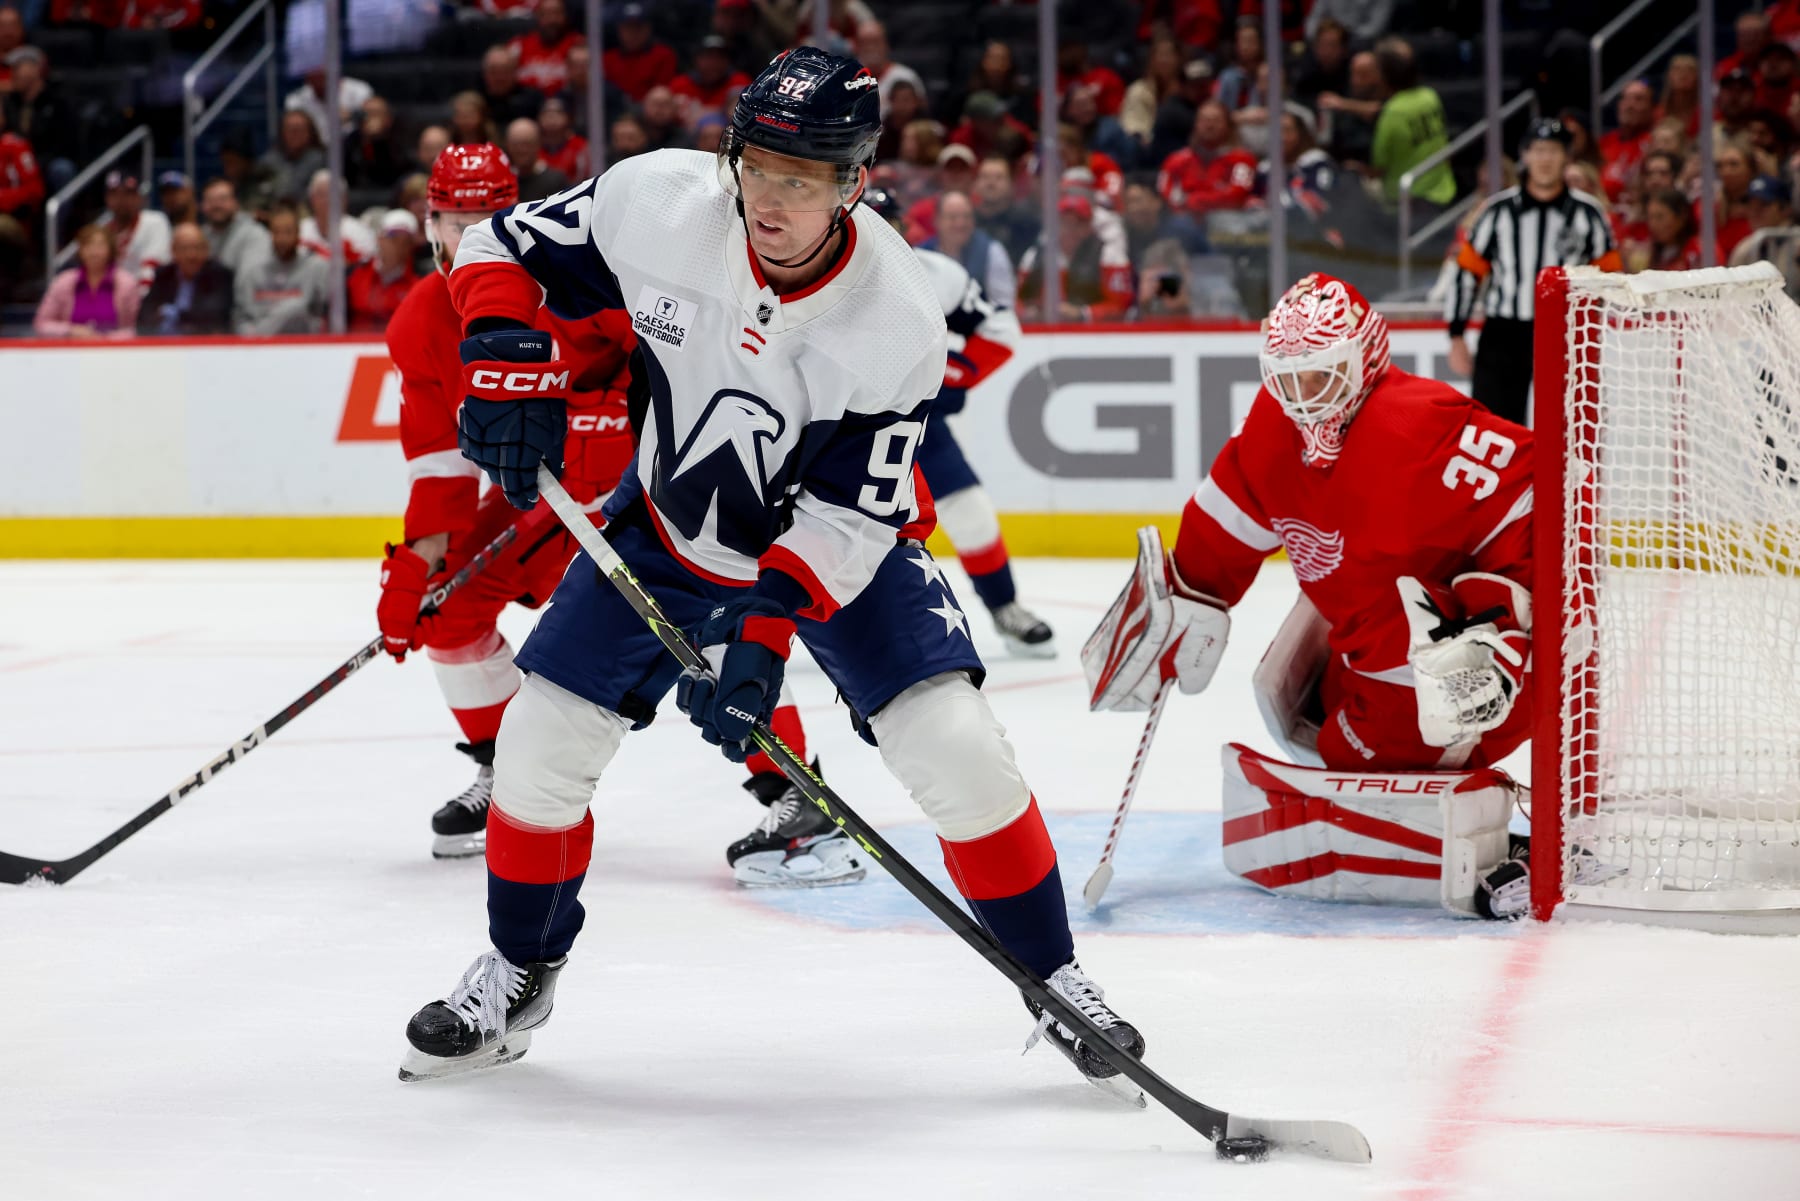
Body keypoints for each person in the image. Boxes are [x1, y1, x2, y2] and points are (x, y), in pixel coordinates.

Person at [399, 48, 1144, 1091]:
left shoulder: (897, 314)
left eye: (804, 179)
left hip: (841, 550)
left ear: (854, 182)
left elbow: (846, 517)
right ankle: (521, 969)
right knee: (535, 749)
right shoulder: (659, 201)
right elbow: (498, 242)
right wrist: (501, 352)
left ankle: (1055, 975)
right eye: (758, 167)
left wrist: (758, 639)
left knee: (958, 749)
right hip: (664, 528)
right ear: (731, 154)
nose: (771, 199)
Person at [380, 143, 848, 886]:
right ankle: (506, 772)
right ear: (427, 221)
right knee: (449, 609)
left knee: (702, 607)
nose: (461, 232)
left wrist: (606, 442)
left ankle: (796, 796)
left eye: (481, 215)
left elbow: (669, 364)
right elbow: (440, 464)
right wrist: (417, 561)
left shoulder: (564, 272)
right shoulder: (418, 324)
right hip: (544, 497)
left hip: (649, 475)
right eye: (450, 217)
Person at [1086, 272, 1538, 917]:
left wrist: (1502, 620)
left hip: (1454, 658)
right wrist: (1179, 601)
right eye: (1287, 378)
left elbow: (1542, 498)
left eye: (1321, 375)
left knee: (1351, 750)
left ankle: (1480, 815)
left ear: (1367, 357)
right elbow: (1223, 530)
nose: (1303, 398)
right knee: (1317, 723)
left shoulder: (1420, 427)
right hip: (1360, 637)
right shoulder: (1272, 429)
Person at [867, 185, 1052, 656]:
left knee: (970, 512)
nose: (875, 236)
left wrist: (947, 374)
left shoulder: (939, 277)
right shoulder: (811, 274)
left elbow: (1001, 332)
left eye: (886, 225)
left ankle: (1005, 608)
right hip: (828, 429)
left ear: (905, 229)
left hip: (917, 428)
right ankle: (758, 627)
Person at [1445, 120, 1619, 425]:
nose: (1545, 159)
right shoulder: (1497, 211)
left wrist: (1601, 331)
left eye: (1553, 150)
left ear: (1566, 157)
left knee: (1566, 426)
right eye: (1538, 150)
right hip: (1504, 332)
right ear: (1525, 156)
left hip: (1566, 332)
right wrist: (1456, 334)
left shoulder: (1588, 214)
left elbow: (1610, 279)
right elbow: (1467, 273)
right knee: (1496, 426)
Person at [1016, 191, 1135, 322]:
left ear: (1089, 226)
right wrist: (1029, 313)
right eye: (1064, 222)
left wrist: (1083, 314)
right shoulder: (1035, 256)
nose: (1070, 229)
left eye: (1078, 223)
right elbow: (1017, 301)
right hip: (1044, 333)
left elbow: (1121, 307)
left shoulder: (1110, 255)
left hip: (1095, 335)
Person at [1368, 37, 1453, 208]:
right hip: (1443, 192)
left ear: (1385, 75)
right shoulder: (1430, 96)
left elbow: (1378, 168)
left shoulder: (1393, 112)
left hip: (1409, 203)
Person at [234, 202, 329, 334]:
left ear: (298, 233)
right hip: (260, 350)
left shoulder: (317, 268)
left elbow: (324, 319)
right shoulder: (254, 273)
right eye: (276, 232)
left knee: (295, 307)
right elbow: (242, 318)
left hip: (304, 347)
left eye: (288, 232)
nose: (282, 238)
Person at [33, 222, 140, 337]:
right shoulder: (63, 282)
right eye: (88, 246)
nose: (94, 252)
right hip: (71, 349)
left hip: (113, 351)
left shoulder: (126, 283)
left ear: (110, 250)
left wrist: (105, 339)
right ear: (81, 250)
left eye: (100, 246)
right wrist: (71, 331)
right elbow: (42, 324)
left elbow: (132, 329)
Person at [1157, 99, 1258, 218]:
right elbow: (1165, 194)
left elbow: (1236, 197)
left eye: (1216, 120)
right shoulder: (1175, 160)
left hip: (1227, 225)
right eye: (1204, 120)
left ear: (1228, 126)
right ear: (1196, 125)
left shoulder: (1242, 160)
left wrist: (1190, 200)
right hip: (1183, 223)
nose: (1210, 125)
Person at [920, 188, 1013, 307]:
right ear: (937, 220)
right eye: (952, 217)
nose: (960, 223)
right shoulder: (921, 257)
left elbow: (1003, 305)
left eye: (966, 216)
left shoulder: (992, 251)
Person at [138, 222, 234, 335]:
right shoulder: (163, 275)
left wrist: (176, 314)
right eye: (184, 248)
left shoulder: (219, 275)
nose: (191, 255)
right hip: (165, 345)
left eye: (197, 248)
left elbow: (215, 314)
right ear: (173, 251)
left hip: (203, 344)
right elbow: (145, 314)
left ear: (207, 250)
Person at [345, 208, 420, 331]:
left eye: (405, 241)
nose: (398, 247)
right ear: (380, 239)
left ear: (411, 247)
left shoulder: (417, 287)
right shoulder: (355, 276)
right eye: (394, 239)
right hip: (355, 345)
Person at [1729, 174, 1800, 300]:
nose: (1755, 211)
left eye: (1764, 204)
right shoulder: (1744, 248)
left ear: (1785, 209)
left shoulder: (1796, 243)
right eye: (1750, 205)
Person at [99, 170, 170, 288]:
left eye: (128, 194)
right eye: (115, 194)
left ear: (139, 197)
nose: (121, 199)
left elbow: (153, 268)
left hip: (150, 297)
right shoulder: (102, 229)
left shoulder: (155, 222)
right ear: (107, 199)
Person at [300, 169, 377, 266]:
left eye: (332, 195)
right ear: (311, 199)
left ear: (344, 200)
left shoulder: (361, 235)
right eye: (321, 195)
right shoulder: (299, 231)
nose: (326, 200)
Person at [1597, 79, 1656, 204]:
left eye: (1638, 99)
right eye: (1625, 99)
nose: (1630, 105)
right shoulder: (1605, 142)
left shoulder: (1655, 143)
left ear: (1651, 107)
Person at [199, 176, 271, 275]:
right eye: (210, 200)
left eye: (222, 199)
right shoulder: (200, 236)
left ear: (235, 203)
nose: (216, 205)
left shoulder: (254, 234)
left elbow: (249, 279)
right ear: (202, 205)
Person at [509, 0, 582, 97]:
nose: (552, 20)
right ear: (537, 17)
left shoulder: (577, 43)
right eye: (546, 14)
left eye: (557, 13)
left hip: (568, 103)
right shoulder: (519, 45)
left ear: (566, 16)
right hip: (527, 105)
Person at [504, 117, 571, 204]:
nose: (522, 150)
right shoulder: (503, 184)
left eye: (527, 144)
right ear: (508, 146)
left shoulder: (556, 181)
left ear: (538, 144)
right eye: (516, 145)